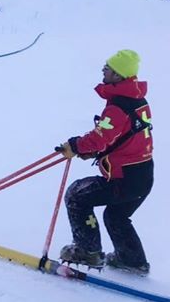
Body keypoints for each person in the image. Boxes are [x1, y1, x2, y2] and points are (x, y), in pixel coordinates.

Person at [55, 50, 154, 274]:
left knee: (77, 195)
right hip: (142, 176)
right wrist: (96, 151)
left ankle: (87, 251)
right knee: (116, 215)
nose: (103, 70)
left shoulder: (118, 106)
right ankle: (132, 260)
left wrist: (77, 145)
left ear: (118, 76)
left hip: (125, 178)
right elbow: (125, 136)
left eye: (108, 68)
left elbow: (101, 137)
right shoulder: (136, 100)